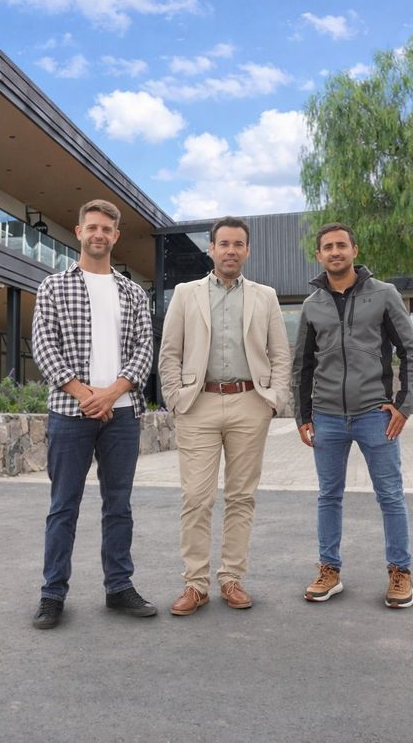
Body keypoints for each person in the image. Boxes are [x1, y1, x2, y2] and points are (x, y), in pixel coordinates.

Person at [30, 198, 156, 629]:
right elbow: (43, 347)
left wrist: (112, 393)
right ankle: (52, 594)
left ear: (115, 236)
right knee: (63, 506)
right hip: (69, 413)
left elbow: (144, 350)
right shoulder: (53, 287)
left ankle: (119, 587)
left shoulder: (133, 292)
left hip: (122, 415)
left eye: (107, 228)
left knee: (118, 505)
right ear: (79, 231)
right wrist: (86, 395)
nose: (99, 234)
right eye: (92, 227)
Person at [159, 216, 291, 615]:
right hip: (198, 405)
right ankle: (195, 584)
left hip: (249, 402)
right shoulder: (185, 294)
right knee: (196, 497)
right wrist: (175, 398)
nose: (231, 250)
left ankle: (231, 578)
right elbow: (170, 352)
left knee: (241, 497)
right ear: (211, 249)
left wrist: (274, 400)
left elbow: (280, 354)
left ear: (247, 251)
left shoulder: (265, 296)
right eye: (224, 244)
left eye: (238, 244)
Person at [292, 222, 413, 609]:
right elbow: (302, 365)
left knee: (390, 496)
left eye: (341, 245)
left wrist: (404, 405)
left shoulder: (384, 295)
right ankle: (329, 570)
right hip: (328, 417)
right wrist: (303, 415)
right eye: (327, 247)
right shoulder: (311, 304)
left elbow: (411, 353)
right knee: (328, 496)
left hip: (374, 415)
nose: (335, 252)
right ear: (319, 255)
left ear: (355, 250)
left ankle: (400, 572)